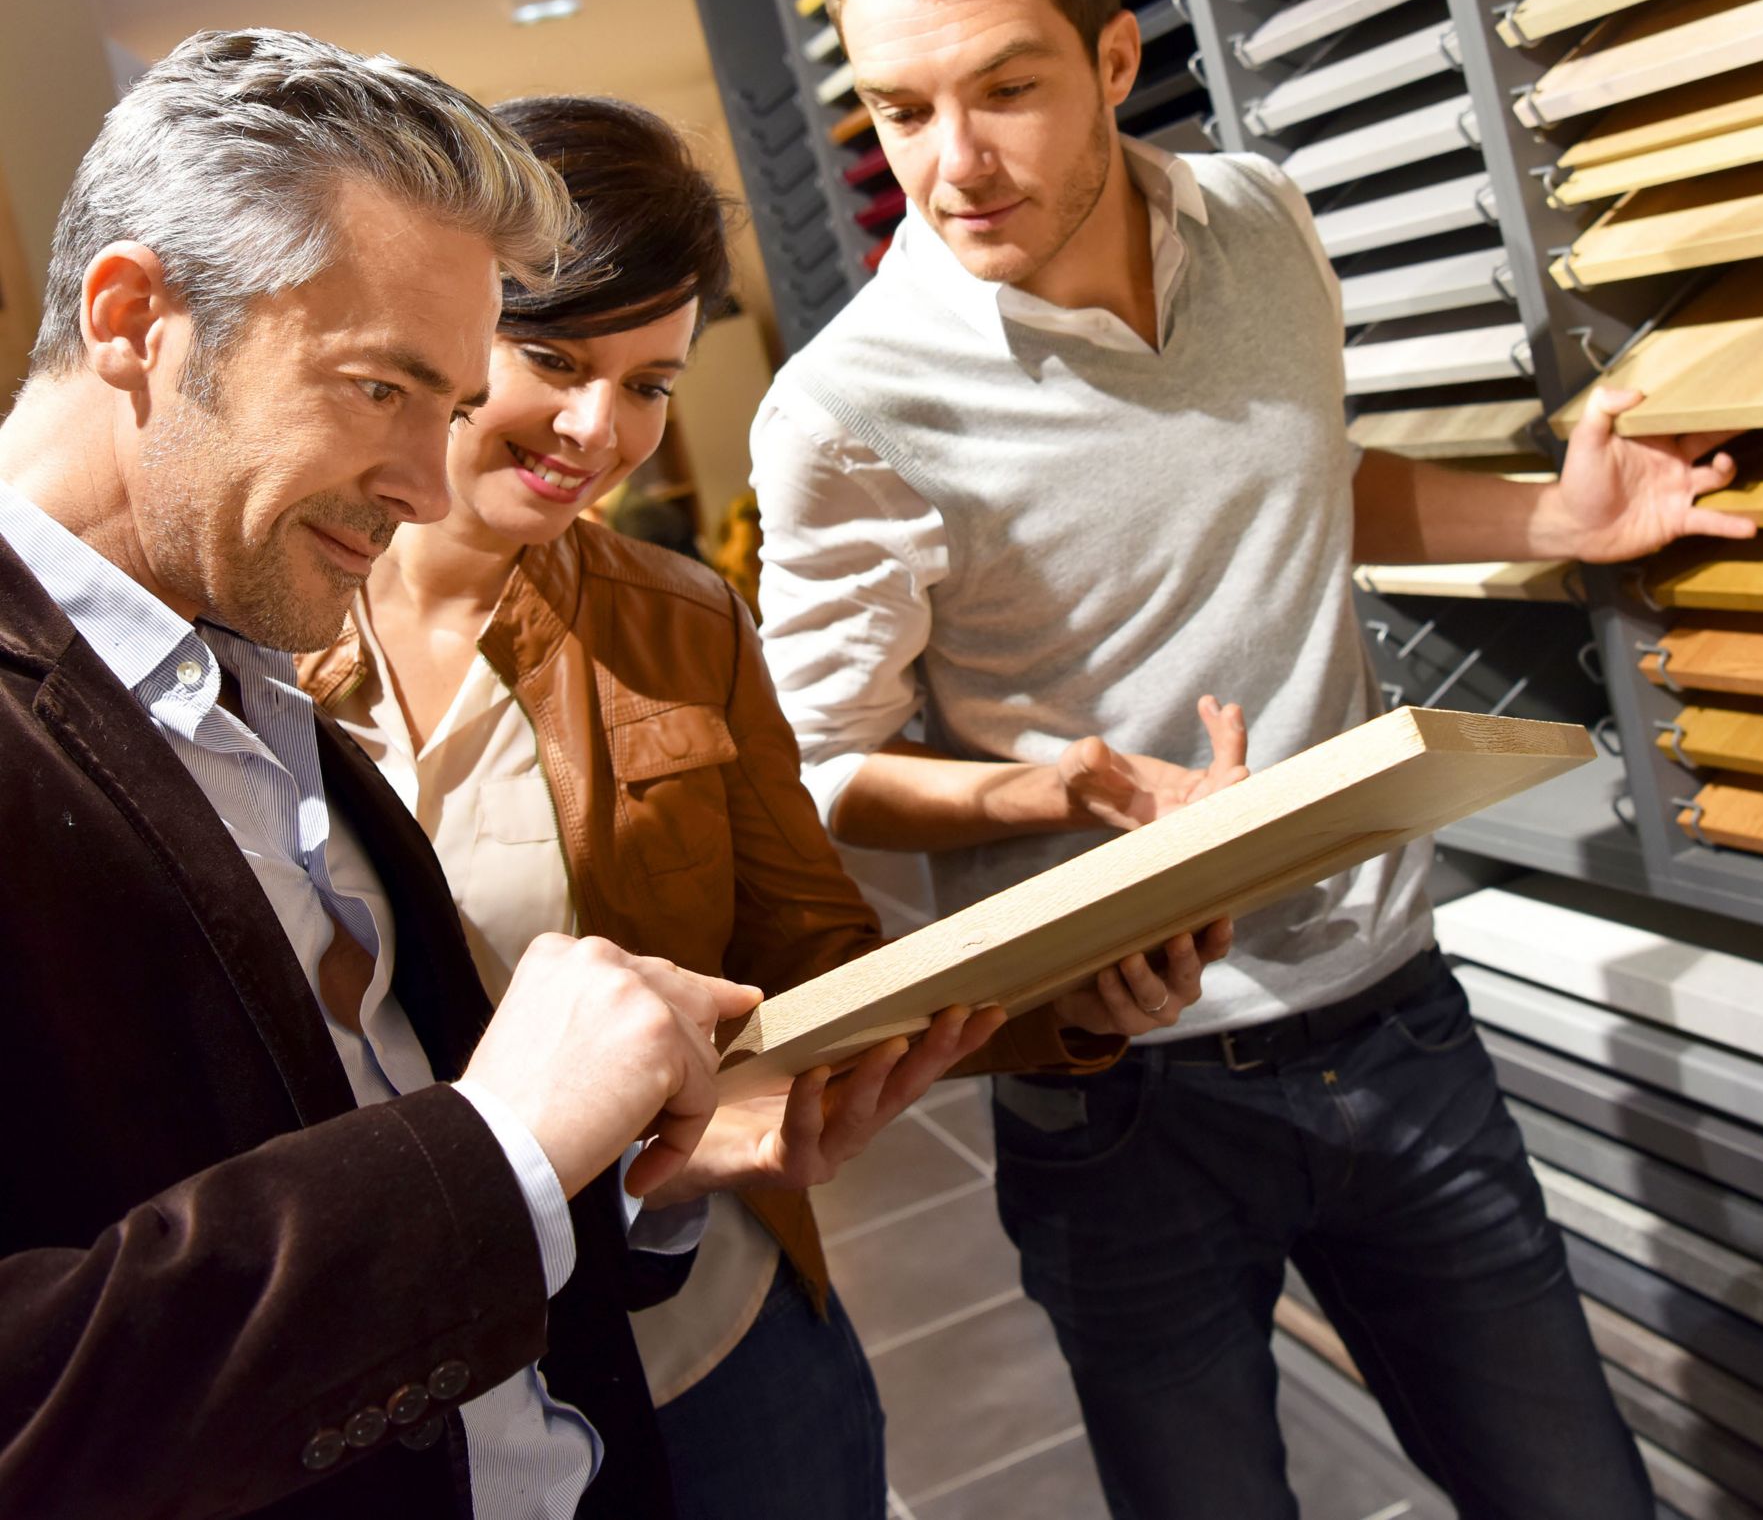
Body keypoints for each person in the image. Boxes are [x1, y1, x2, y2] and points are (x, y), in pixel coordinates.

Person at [749, 0, 1760, 1520]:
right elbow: (826, 762)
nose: (953, 162)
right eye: (901, 109)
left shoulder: (1264, 220)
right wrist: (1054, 788)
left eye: (1003, 89)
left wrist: (1551, 515)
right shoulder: (848, 409)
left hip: (1392, 1003)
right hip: (1123, 1087)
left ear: (1115, 60)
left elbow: (1305, 472)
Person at [294, 92, 1228, 1520]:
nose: (601, 429)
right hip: (401, 1399)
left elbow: (818, 959)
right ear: (445, 317)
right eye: (551, 355)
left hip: (704, 1342)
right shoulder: (251, 648)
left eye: (654, 381)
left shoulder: (679, 622)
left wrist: (1076, 1000)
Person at [0, 29, 759, 1519]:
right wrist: (498, 1152)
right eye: (380, 390)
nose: (425, 483)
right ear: (136, 317)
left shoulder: (246, 666)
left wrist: (601, 1169)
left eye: (451, 402)